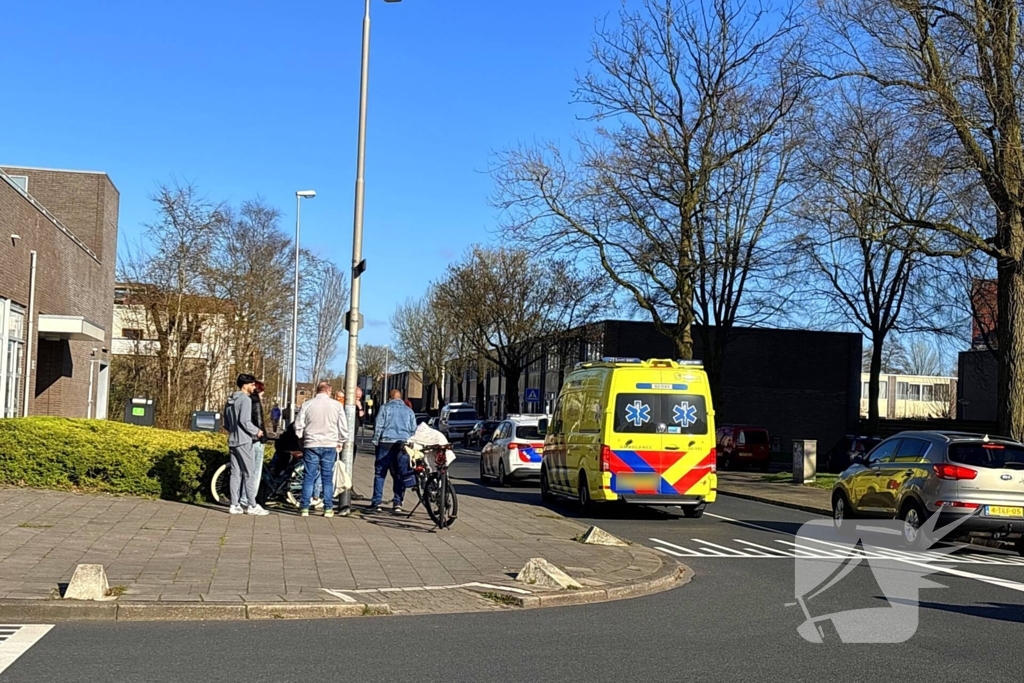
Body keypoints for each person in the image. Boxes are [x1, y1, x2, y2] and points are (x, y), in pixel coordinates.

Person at [294, 381, 349, 518]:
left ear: (317, 391)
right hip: (329, 444)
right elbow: (343, 426)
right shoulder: (336, 406)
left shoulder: (307, 404)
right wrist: (341, 440)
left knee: (309, 476)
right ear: (329, 391)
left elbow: (298, 424)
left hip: (311, 443)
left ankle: (305, 508)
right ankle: (328, 508)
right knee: (327, 477)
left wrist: (302, 436)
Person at [224, 373, 269, 516]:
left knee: (235, 473)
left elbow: (226, 423)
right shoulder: (246, 400)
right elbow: (245, 421)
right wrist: (257, 432)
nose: (254, 387)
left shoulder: (230, 400)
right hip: (244, 441)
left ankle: (234, 504)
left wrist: (233, 430)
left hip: (232, 440)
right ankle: (252, 505)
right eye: (252, 384)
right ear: (245, 385)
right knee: (250, 473)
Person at [369, 389, 417, 514]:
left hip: (386, 443)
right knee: (400, 473)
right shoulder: (409, 411)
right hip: (402, 444)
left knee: (380, 473)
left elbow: (378, 425)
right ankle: (398, 503)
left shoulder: (385, 408)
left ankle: (377, 502)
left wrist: (376, 440)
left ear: (390, 397)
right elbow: (413, 430)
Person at [240, 381, 268, 509]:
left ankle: (242, 498)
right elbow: (259, 421)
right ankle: (249, 500)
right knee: (255, 472)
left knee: (243, 470)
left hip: (244, 439)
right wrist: (263, 437)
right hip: (256, 439)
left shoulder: (243, 400)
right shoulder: (255, 402)